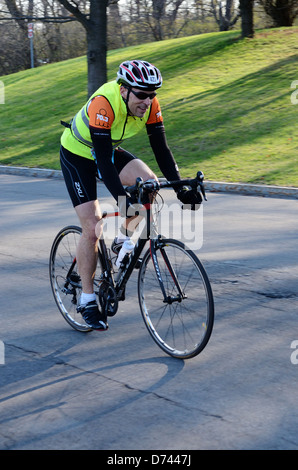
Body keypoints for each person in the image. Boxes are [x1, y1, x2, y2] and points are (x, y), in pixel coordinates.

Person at [60, 60, 201, 331]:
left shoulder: (150, 106)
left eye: (152, 94)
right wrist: (123, 201)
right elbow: (101, 161)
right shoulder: (104, 102)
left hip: (106, 150)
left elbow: (161, 149)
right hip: (78, 156)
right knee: (93, 226)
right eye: (142, 94)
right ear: (124, 90)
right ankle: (88, 300)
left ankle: (123, 242)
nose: (147, 101)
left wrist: (181, 188)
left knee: (150, 183)